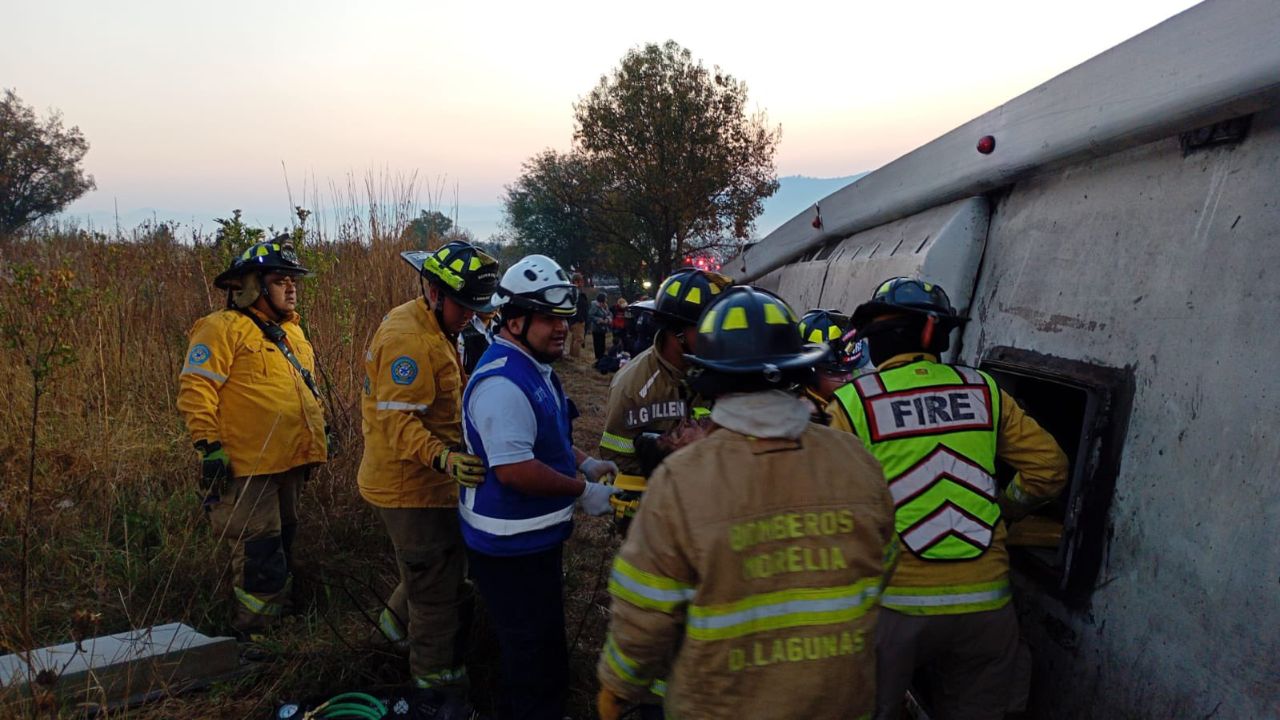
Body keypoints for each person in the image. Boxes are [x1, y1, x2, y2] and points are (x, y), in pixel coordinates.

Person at [595, 286, 898, 720]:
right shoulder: (857, 462)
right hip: (838, 701)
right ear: (799, 369)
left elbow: (645, 613)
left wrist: (620, 685)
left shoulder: (682, 479)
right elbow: (882, 566)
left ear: (711, 374)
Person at [825, 277, 1069, 720]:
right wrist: (1006, 508)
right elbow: (1049, 470)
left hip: (894, 607)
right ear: (935, 335)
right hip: (988, 605)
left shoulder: (852, 402)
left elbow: (827, 509)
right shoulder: (985, 390)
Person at [459, 254, 621, 720]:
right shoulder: (502, 384)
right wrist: (580, 491)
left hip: (532, 541)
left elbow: (544, 435)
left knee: (546, 642)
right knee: (529, 655)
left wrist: (585, 461)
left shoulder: (532, 366)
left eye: (564, 319)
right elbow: (514, 469)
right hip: (508, 548)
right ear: (513, 320)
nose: (561, 329)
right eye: (548, 319)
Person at [357, 240, 499, 706]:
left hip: (429, 481)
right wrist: (445, 459)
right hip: (410, 486)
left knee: (432, 566)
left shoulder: (435, 326)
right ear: (435, 292)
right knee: (437, 593)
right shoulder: (410, 340)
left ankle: (393, 630)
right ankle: (437, 689)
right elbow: (397, 421)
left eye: (477, 307)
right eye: (465, 306)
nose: (470, 316)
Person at [177, 237, 328, 639]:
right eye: (281, 280)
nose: (291, 288)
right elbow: (197, 389)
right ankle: (256, 637)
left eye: (293, 281)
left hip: (291, 462)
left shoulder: (293, 335)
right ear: (251, 287)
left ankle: (286, 624)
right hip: (247, 468)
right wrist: (208, 447)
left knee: (284, 546)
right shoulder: (220, 328)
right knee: (258, 551)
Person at [598, 268, 732, 523]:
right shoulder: (634, 384)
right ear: (677, 332)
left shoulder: (720, 370)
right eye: (708, 328)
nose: (717, 336)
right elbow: (617, 455)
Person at [568, 272, 589, 360]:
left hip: (574, 319)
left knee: (574, 339)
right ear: (576, 281)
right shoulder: (575, 292)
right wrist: (581, 319)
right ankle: (576, 358)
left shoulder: (572, 291)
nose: (582, 283)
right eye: (581, 281)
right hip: (577, 320)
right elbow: (578, 307)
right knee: (578, 339)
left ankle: (572, 356)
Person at [589, 292, 611, 360]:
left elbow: (609, 313)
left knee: (602, 343)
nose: (606, 299)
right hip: (596, 328)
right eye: (605, 298)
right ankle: (598, 357)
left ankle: (602, 356)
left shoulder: (605, 305)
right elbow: (590, 315)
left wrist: (608, 319)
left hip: (603, 328)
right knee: (597, 343)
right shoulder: (594, 305)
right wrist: (599, 319)